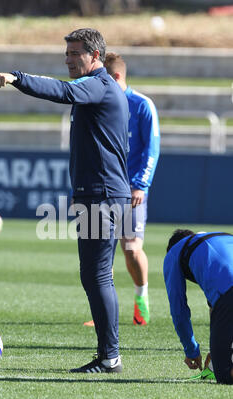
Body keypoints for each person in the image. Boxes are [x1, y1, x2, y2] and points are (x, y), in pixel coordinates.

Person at [0, 28, 131, 373]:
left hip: (103, 196)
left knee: (97, 276)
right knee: (95, 275)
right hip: (99, 194)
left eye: (75, 53)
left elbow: (62, 92)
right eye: (66, 53)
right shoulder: (98, 88)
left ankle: (110, 357)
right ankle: (109, 354)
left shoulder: (98, 85)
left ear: (95, 56)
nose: (68, 59)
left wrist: (17, 78)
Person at [98, 52, 160, 326]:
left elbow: (152, 149)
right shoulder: (100, 104)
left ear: (117, 77)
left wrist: (140, 185)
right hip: (102, 189)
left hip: (131, 189)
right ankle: (105, 309)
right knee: (100, 252)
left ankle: (141, 297)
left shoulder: (142, 105)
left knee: (131, 249)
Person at [163, 229, 233, 385]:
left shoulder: (174, 253)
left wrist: (191, 350)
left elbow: (179, 311)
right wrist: (217, 348)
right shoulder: (219, 239)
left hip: (229, 292)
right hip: (228, 292)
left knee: (224, 374)